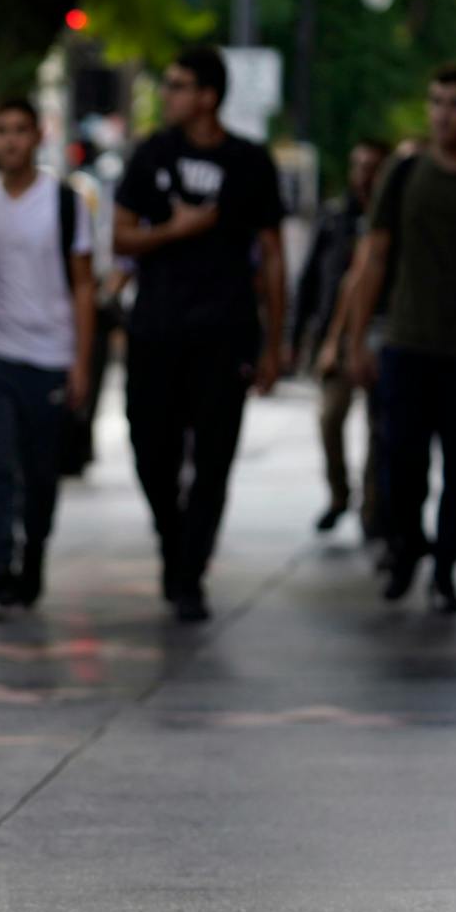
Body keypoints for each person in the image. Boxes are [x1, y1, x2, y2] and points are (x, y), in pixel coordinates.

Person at [112, 45, 287, 623]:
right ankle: (174, 537)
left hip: (224, 331)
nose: (167, 95)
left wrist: (275, 341)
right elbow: (123, 238)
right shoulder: (151, 155)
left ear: (208, 96)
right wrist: (174, 229)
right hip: (156, 330)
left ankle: (189, 574)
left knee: (214, 459)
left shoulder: (250, 163)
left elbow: (274, 255)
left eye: (178, 85)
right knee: (150, 451)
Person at [346, 64, 456, 614]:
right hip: (406, 342)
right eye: (435, 102)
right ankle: (405, 549)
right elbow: (373, 257)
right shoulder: (403, 175)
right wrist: (356, 340)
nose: (442, 114)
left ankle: (446, 565)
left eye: (454, 104)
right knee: (401, 460)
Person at [0, 99, 96, 621]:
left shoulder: (65, 202)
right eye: (1, 130)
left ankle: (32, 556)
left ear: (38, 136)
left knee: (40, 472)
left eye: (20, 130)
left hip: (49, 355)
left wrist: (81, 362)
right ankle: (0, 569)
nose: (11, 140)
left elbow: (84, 286)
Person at [303, 138, 393, 535]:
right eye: (358, 166)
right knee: (330, 417)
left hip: (384, 330)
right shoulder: (336, 217)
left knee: (381, 426)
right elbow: (320, 280)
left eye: (373, 167)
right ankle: (340, 494)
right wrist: (309, 338)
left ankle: (373, 509)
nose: (364, 176)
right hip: (340, 333)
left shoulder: (394, 218)